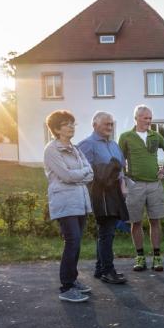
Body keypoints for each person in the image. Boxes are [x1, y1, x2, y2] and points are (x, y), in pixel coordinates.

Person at [43, 110, 94, 302]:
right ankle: (66, 288)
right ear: (56, 129)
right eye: (66, 123)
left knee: (77, 241)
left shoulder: (75, 149)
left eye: (73, 123)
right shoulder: (51, 149)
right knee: (72, 241)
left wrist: (78, 173)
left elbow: (91, 172)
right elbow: (66, 175)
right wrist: (80, 174)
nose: (71, 126)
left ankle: (72, 281)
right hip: (64, 201)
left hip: (80, 200)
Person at [118, 105, 164, 272]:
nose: (149, 121)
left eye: (150, 118)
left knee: (155, 220)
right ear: (137, 118)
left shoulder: (154, 135)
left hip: (154, 185)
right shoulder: (126, 136)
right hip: (135, 185)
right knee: (135, 222)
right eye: (145, 118)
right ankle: (140, 256)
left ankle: (157, 256)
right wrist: (122, 182)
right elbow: (120, 160)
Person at [77, 111, 129, 285]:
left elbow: (121, 167)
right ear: (95, 125)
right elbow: (84, 171)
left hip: (114, 191)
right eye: (106, 124)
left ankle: (101, 269)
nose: (109, 127)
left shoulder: (114, 144)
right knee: (106, 232)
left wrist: (122, 185)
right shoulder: (87, 144)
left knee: (107, 232)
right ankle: (108, 270)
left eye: (111, 124)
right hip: (99, 192)